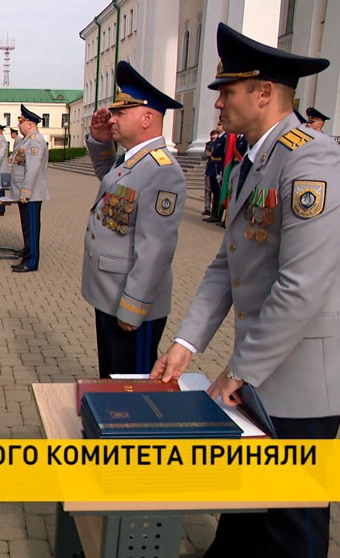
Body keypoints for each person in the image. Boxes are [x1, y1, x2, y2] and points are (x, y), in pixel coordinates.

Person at [150, 23, 340, 558]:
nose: (218, 104)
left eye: (227, 91)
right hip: (260, 370)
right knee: (247, 509)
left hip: (300, 381)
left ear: (263, 93)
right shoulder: (259, 156)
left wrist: (238, 370)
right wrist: (187, 345)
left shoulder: (310, 158)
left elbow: (302, 285)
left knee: (292, 525)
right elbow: (224, 264)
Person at [83, 61, 186, 376]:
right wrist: (100, 140)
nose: (112, 119)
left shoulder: (161, 169)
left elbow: (156, 248)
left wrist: (134, 306)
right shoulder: (133, 161)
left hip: (131, 303)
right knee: (112, 377)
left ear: (147, 117)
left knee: (133, 389)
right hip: (110, 293)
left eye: (120, 113)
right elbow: (108, 177)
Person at [9, 105, 49, 273]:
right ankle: (27, 251)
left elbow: (32, 169)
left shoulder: (35, 141)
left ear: (30, 124)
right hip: (24, 191)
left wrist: (25, 192)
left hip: (31, 193)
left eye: (21, 122)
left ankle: (31, 261)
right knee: (26, 226)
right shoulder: (27, 140)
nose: (19, 125)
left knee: (31, 227)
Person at [202, 128, 220, 216]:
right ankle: (207, 208)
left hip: (216, 169)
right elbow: (204, 156)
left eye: (215, 138)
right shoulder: (209, 145)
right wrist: (207, 153)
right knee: (207, 189)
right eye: (212, 138)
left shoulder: (220, 144)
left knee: (216, 191)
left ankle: (214, 209)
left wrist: (211, 154)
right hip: (209, 168)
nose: (213, 140)